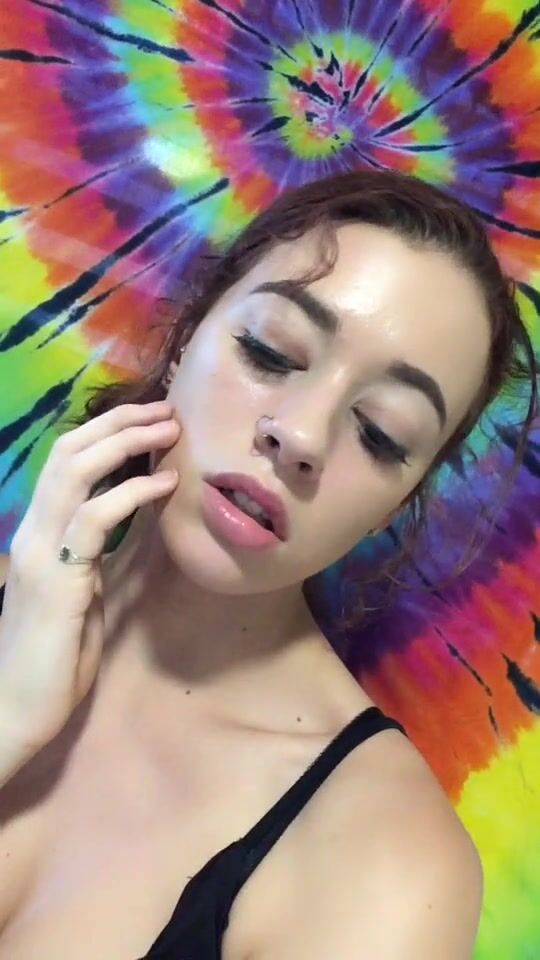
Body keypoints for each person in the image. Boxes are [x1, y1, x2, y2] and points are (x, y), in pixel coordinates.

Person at [0, 168, 536, 960]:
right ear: (185, 340)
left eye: (382, 433)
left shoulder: (384, 865)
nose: (303, 435)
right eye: (271, 351)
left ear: (395, 505)